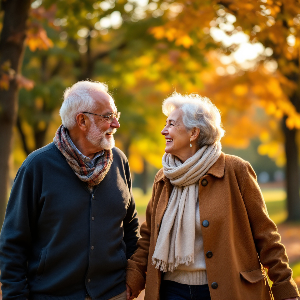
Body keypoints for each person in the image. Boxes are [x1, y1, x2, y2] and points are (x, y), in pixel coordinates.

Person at [126, 92, 300, 300]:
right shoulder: (163, 178)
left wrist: (284, 287)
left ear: (194, 133)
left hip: (225, 291)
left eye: (171, 124)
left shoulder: (236, 171)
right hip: (171, 292)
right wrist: (130, 283)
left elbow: (266, 235)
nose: (164, 131)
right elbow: (148, 240)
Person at [0, 80, 139, 300]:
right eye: (107, 116)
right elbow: (13, 243)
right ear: (82, 121)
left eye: (116, 115)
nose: (115, 124)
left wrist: (133, 276)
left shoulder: (119, 161)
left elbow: (130, 226)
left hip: (113, 294)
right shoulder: (37, 167)